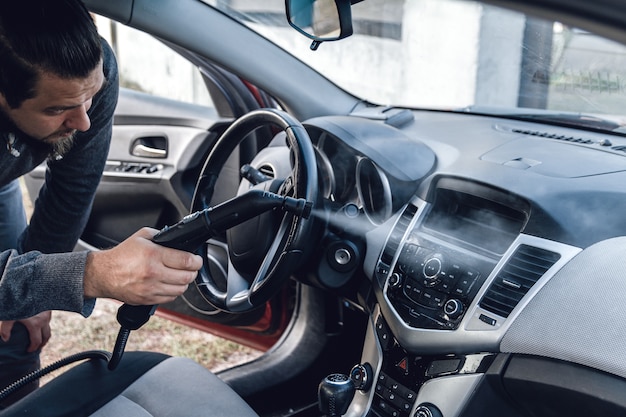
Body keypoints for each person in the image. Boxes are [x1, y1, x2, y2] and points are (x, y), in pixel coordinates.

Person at [0, 0, 202, 406]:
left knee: (17, 331)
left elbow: (72, 188)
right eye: (57, 110)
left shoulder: (91, 74)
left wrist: (37, 296)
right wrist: (89, 274)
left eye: (89, 98)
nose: (84, 122)